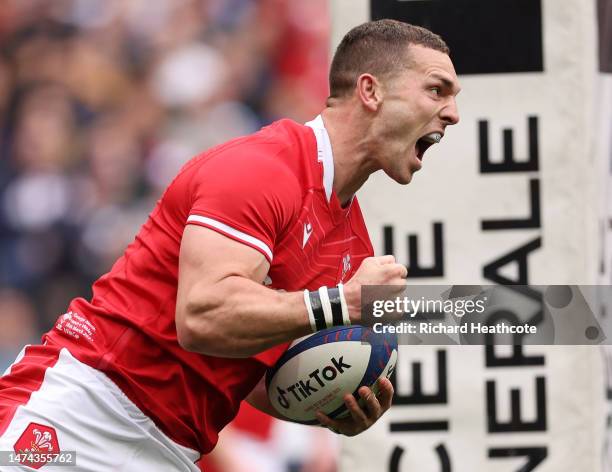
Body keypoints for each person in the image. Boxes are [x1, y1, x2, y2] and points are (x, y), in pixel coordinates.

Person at [0, 19, 460, 471]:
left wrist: (334, 400)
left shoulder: (353, 246)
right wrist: (341, 302)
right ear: (370, 90)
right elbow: (201, 316)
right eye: (436, 90)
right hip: (80, 412)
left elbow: (258, 372)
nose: (453, 113)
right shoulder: (260, 168)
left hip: (171, 450)